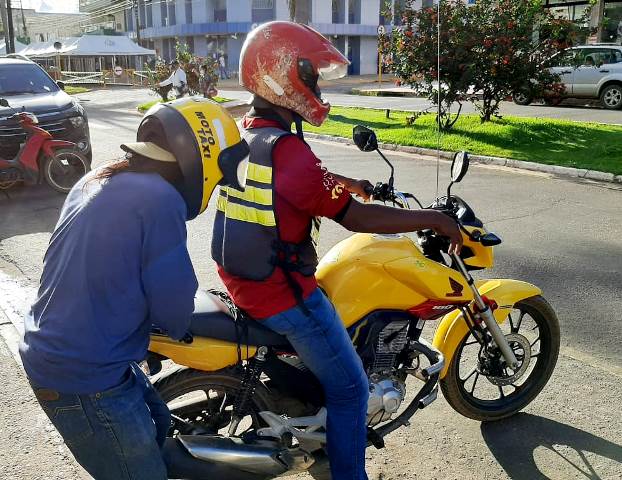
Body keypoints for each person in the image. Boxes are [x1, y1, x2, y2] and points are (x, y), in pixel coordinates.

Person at [211, 21, 462, 480]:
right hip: (283, 294)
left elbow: (297, 184)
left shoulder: (249, 133)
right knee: (350, 390)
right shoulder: (289, 150)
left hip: (244, 278)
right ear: (285, 75)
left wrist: (350, 184)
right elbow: (358, 219)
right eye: (313, 77)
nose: (319, 88)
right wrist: (434, 219)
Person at [20, 98, 250, 480]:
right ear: (201, 159)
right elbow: (174, 312)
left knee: (160, 424)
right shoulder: (160, 200)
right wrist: (206, 310)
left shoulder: (99, 177)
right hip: (84, 373)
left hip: (67, 350)